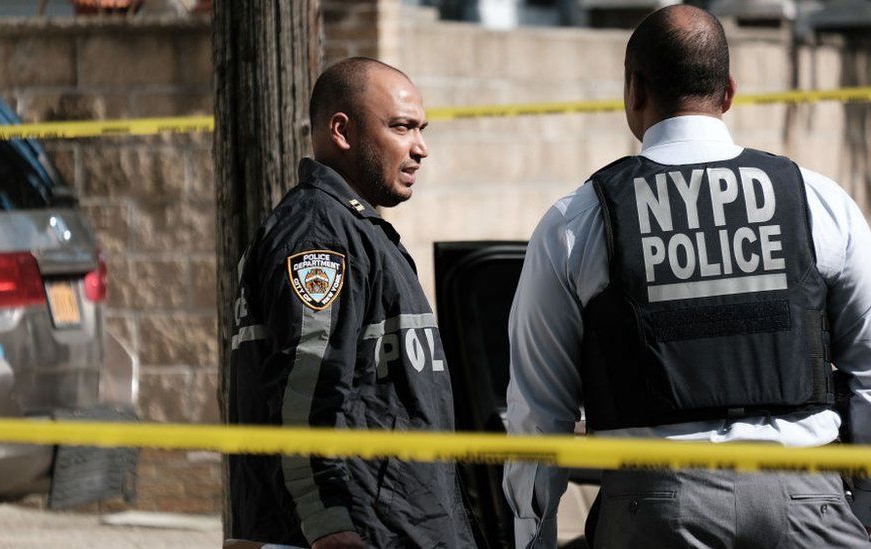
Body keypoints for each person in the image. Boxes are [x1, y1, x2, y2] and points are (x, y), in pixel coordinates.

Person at [504, 5, 871, 548]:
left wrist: (532, 536)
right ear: (728, 93)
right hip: (808, 499)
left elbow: (539, 413)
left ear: (633, 90)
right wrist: (860, 511)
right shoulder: (818, 201)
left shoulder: (578, 219)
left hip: (656, 505)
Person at [228, 57, 478, 549]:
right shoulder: (320, 234)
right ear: (342, 131)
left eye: (421, 129)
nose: (420, 148)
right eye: (402, 128)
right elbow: (306, 393)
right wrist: (329, 525)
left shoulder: (355, 229)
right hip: (354, 535)